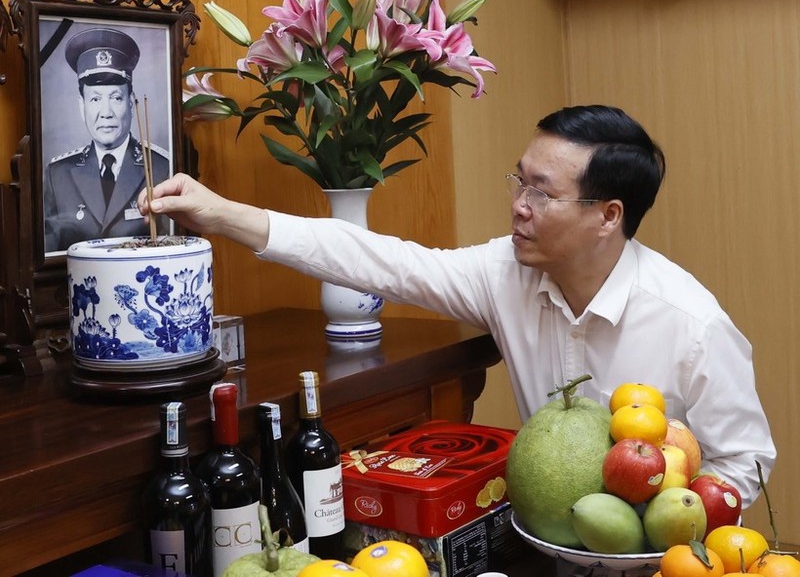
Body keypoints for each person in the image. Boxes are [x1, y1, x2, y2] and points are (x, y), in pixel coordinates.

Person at [137, 104, 776, 509]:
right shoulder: (505, 273)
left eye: (542, 192)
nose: (519, 204)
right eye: (518, 180)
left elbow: (744, 464)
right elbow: (373, 258)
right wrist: (221, 212)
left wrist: (651, 524)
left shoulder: (690, 323)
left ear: (608, 215)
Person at [43, 27, 170, 252]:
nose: (106, 112)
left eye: (116, 97)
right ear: (82, 106)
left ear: (130, 102)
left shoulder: (161, 167)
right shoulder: (58, 174)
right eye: (94, 99)